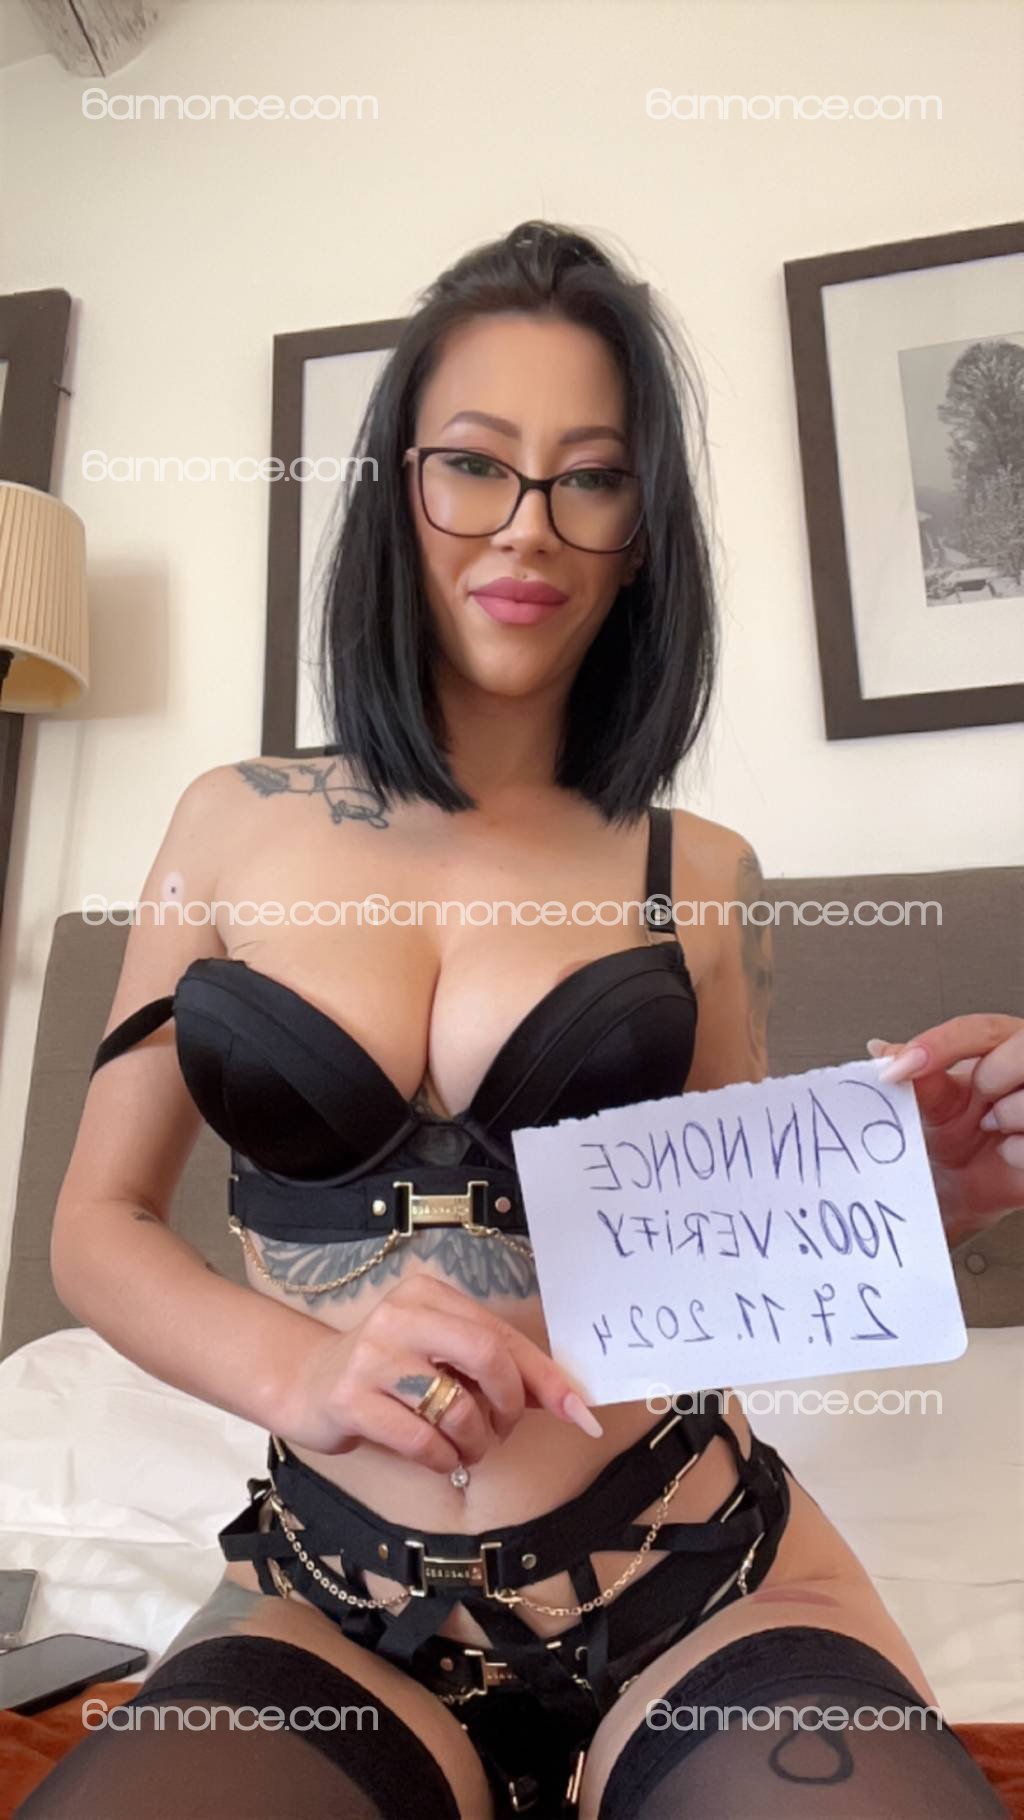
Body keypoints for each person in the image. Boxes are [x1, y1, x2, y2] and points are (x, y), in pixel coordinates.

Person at [20, 221, 1021, 1820]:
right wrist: (305, 1377)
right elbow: (96, 1223)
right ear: (399, 488)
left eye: (593, 477)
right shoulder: (228, 821)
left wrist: (914, 1200)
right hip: (332, 1601)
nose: (530, 524)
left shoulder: (699, 874)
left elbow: (709, 1281)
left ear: (643, 530)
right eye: (476, 464)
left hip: (693, 1578)